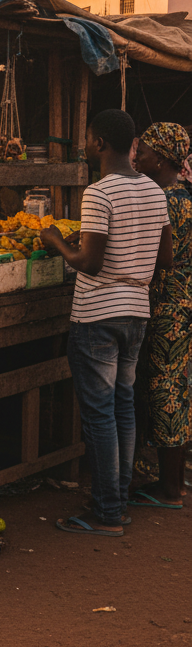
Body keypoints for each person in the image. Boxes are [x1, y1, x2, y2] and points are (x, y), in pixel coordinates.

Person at [43, 110, 172, 537]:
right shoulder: (155, 191)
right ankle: (116, 500)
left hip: (97, 314)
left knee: (99, 415)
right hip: (136, 311)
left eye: (87, 138)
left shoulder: (99, 194)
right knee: (122, 409)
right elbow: (165, 258)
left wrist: (56, 241)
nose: (84, 144)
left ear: (100, 143)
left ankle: (108, 513)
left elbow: (89, 263)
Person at [130, 122, 191, 509]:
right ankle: (174, 478)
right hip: (181, 303)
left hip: (169, 307)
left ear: (163, 159)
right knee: (177, 388)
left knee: (168, 390)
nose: (139, 156)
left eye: (147, 151)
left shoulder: (167, 200)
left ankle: (170, 489)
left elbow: (159, 259)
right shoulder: (183, 195)